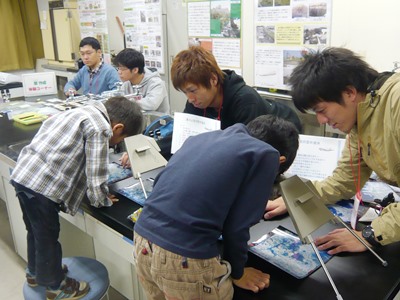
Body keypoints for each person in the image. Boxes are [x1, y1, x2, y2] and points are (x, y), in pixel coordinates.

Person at [133, 115, 299, 299]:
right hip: (184, 258)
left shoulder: (202, 138)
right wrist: (238, 272)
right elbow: (238, 226)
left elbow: (161, 184)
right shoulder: (268, 154)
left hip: (143, 239)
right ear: (280, 160)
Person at [264, 47, 400, 254]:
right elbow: (343, 182)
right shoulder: (360, 120)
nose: (321, 120)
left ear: (349, 92)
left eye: (322, 110)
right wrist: (298, 199)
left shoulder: (395, 105)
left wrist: (370, 235)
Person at [10, 96, 143, 300]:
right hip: (43, 188)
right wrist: (101, 199)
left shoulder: (81, 111)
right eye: (121, 140)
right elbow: (95, 172)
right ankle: (56, 286)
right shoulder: (100, 128)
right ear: (117, 128)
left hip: (24, 176)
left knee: (35, 232)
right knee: (48, 237)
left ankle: (36, 273)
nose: (117, 144)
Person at [170, 45, 302, 132]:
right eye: (185, 92)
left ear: (213, 79)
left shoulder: (245, 101)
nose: (190, 99)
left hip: (286, 129)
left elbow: (247, 151)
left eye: (193, 90)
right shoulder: (196, 103)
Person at [113, 48, 170, 114]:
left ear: (135, 70)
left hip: (158, 122)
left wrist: (127, 102)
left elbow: (151, 104)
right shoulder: (126, 84)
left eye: (122, 69)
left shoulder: (156, 83)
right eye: (118, 68)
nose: (119, 72)